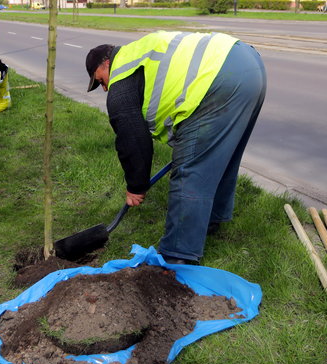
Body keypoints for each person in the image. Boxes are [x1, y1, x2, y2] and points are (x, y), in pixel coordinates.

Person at [85, 31, 267, 264]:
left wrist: (136, 187)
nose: (104, 89)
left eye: (100, 80)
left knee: (190, 171)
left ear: (107, 63)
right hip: (248, 61)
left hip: (218, 78)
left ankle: (177, 255)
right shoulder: (139, 53)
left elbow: (133, 142)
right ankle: (213, 219)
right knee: (222, 156)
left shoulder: (122, 79)